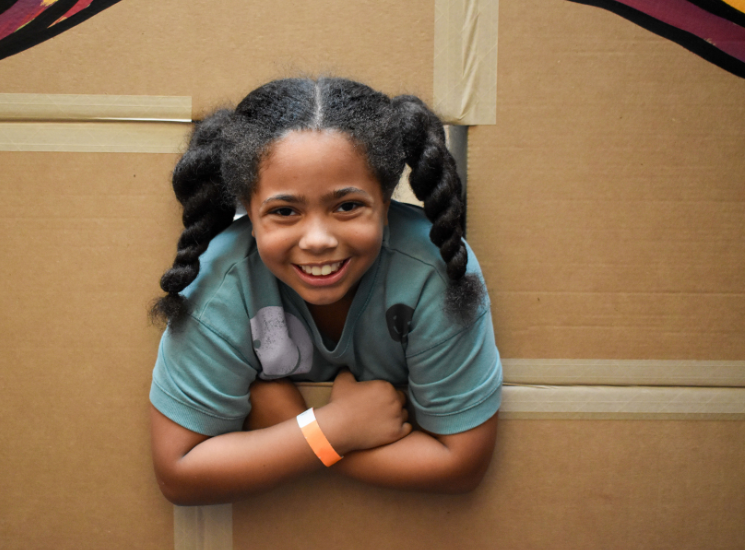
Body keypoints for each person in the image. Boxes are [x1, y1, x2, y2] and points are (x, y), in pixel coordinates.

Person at [149, 77, 503, 505]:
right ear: (247, 207)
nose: (317, 239)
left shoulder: (434, 270)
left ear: (387, 200)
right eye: (284, 211)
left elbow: (461, 464)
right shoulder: (220, 281)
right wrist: (336, 428)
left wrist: (299, 423)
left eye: (348, 206)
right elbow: (179, 474)